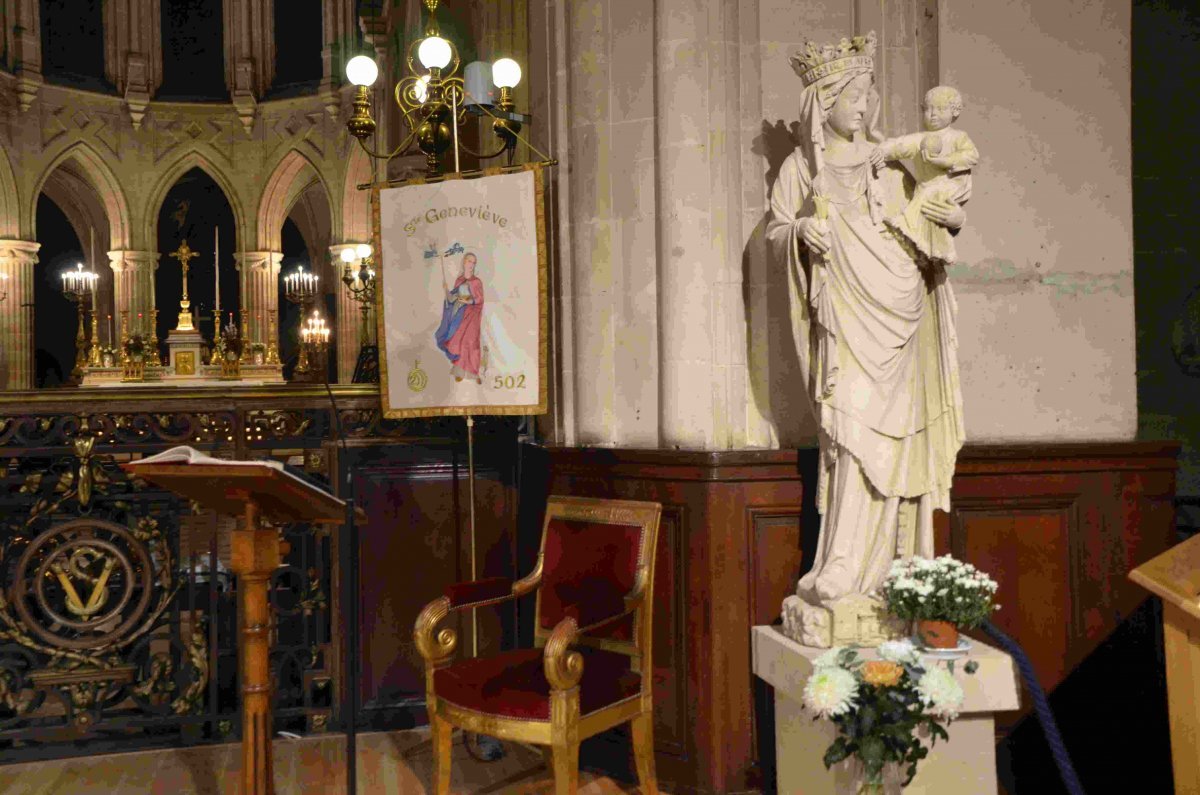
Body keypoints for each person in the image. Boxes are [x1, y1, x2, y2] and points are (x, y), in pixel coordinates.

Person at [766, 33, 967, 644]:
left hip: (899, 313)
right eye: (851, 92)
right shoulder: (801, 167)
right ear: (821, 101)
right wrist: (801, 231)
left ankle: (896, 575)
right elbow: (773, 235)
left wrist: (944, 219)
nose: (865, 101)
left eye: (869, 90)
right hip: (848, 318)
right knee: (851, 436)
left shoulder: (891, 158)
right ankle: (845, 565)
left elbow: (931, 227)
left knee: (898, 440)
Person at [876, 85, 979, 265]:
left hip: (952, 185)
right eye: (928, 109)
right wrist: (880, 151)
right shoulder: (920, 139)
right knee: (929, 211)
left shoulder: (957, 137)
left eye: (940, 109)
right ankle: (936, 250)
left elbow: (971, 156)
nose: (933, 114)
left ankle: (906, 227)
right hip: (927, 187)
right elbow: (900, 145)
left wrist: (945, 161)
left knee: (930, 201)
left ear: (954, 111)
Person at [434, 252, 485, 383]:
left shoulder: (476, 282)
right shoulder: (460, 280)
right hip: (461, 315)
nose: (471, 265)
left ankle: (475, 372)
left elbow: (479, 299)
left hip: (472, 316)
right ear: (464, 262)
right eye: (469, 261)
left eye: (474, 262)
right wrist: (446, 290)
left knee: (472, 342)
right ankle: (460, 371)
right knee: (459, 341)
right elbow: (452, 300)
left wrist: (469, 301)